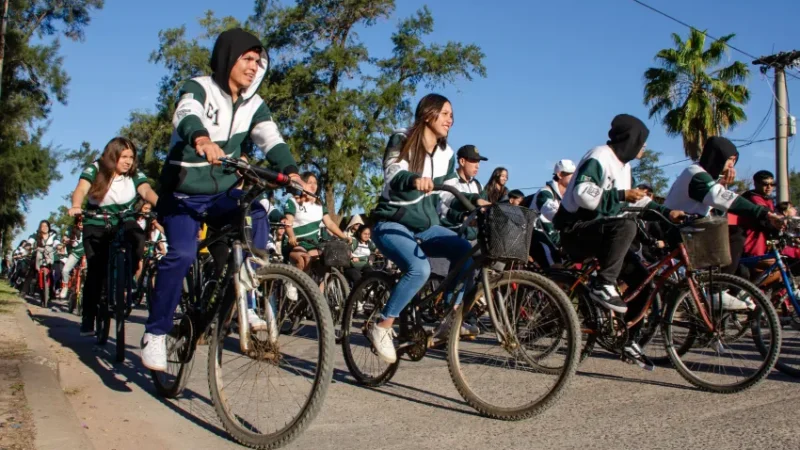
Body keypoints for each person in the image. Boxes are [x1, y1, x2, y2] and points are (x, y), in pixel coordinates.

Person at [142, 28, 305, 371]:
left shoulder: (254, 105)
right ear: (228, 57)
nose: (253, 67)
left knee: (256, 211)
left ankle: (246, 285)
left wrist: (291, 172)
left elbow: (270, 140)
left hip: (221, 193)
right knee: (183, 253)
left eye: (257, 61)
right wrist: (201, 139)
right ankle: (155, 333)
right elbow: (186, 114)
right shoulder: (198, 87)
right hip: (182, 192)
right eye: (246, 59)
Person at [553, 115, 686, 366]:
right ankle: (604, 284)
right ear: (630, 139)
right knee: (625, 225)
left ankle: (630, 343)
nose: (644, 147)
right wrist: (622, 194)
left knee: (643, 282)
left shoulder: (625, 167)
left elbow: (636, 201)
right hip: (576, 230)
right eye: (642, 141)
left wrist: (668, 213)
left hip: (604, 234)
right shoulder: (600, 156)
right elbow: (584, 195)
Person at [369, 93, 481, 364]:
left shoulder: (446, 153)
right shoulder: (403, 137)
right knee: (420, 269)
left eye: (451, 115)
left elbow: (446, 195)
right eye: (445, 113)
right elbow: (392, 172)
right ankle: (382, 326)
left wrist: (477, 202)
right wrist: (414, 179)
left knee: (466, 253)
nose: (450, 120)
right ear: (428, 114)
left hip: (425, 227)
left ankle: (449, 320)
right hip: (390, 222)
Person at [664, 137, 784, 304]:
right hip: (676, 230)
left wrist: (722, 185)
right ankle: (716, 290)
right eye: (729, 160)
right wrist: (765, 213)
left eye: (734, 161)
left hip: (692, 230)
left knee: (738, 266)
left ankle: (710, 306)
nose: (731, 166)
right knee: (735, 235)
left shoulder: (707, 178)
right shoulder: (696, 174)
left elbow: (718, 210)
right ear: (717, 157)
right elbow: (724, 199)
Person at [67, 137, 158, 336]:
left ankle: (127, 276)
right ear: (112, 156)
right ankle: (88, 318)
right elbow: (81, 189)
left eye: (131, 157)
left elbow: (146, 190)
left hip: (122, 219)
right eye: (124, 156)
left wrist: (161, 204)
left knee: (138, 237)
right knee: (96, 269)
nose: (128, 161)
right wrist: (76, 206)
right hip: (96, 221)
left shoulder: (134, 174)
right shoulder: (96, 168)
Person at [283, 172, 350, 272]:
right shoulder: (293, 201)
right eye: (310, 182)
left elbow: (330, 224)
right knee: (304, 259)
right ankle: (294, 286)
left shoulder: (319, 205)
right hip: (297, 243)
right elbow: (288, 222)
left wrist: (344, 237)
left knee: (326, 261)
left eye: (315, 183)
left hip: (314, 243)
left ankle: (319, 287)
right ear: (302, 184)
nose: (313, 185)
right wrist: (291, 235)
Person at [527, 159, 576, 269]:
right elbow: (550, 214)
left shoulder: (568, 197)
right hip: (535, 235)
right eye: (570, 175)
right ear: (560, 175)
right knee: (556, 267)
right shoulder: (545, 193)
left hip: (553, 238)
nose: (574, 178)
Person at [438, 144, 490, 241]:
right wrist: (463, 218)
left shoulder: (478, 186)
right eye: (474, 161)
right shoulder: (449, 181)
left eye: (478, 162)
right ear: (462, 161)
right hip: (452, 235)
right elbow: (443, 209)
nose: (477, 166)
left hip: (475, 238)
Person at [740, 170, 776, 258]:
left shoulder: (767, 199)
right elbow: (766, 219)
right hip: (751, 241)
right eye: (765, 184)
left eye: (772, 184)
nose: (769, 187)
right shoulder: (752, 198)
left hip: (762, 240)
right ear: (756, 184)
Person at [23, 221, 61, 297]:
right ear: (40, 227)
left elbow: (57, 242)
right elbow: (31, 239)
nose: (44, 228)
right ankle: (24, 290)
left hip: (49, 256)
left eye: (46, 226)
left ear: (49, 227)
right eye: (42, 226)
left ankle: (51, 292)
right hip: (38, 254)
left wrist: (58, 245)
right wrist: (28, 244)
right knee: (31, 271)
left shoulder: (53, 236)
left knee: (52, 273)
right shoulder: (36, 235)